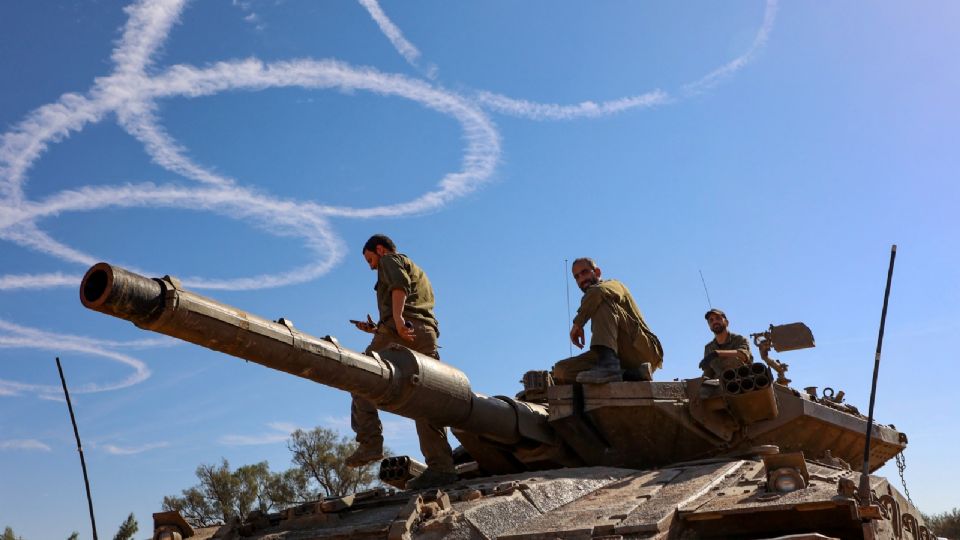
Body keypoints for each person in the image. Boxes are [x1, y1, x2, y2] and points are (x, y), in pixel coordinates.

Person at [346, 234, 457, 489]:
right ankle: (442, 467)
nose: (371, 266)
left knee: (358, 374)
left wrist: (395, 321)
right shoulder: (416, 268)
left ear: (381, 249)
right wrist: (377, 328)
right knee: (427, 401)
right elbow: (414, 305)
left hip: (401, 330)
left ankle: (370, 442)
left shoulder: (390, 261)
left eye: (370, 259)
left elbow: (399, 287)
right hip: (425, 334)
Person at [552, 258, 663, 384]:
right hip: (617, 358)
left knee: (601, 299)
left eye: (585, 272)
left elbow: (598, 292)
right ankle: (631, 374)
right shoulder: (590, 300)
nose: (581, 279)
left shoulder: (614, 285)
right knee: (561, 370)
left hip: (641, 350)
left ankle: (609, 367)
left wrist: (578, 324)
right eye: (577, 277)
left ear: (597, 272)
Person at [700, 308, 753, 378]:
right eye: (711, 320)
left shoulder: (739, 339)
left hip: (743, 380)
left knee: (734, 360)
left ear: (726, 322)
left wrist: (717, 353)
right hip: (721, 384)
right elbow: (708, 373)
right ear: (709, 325)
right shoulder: (709, 348)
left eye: (718, 318)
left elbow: (743, 355)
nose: (714, 321)